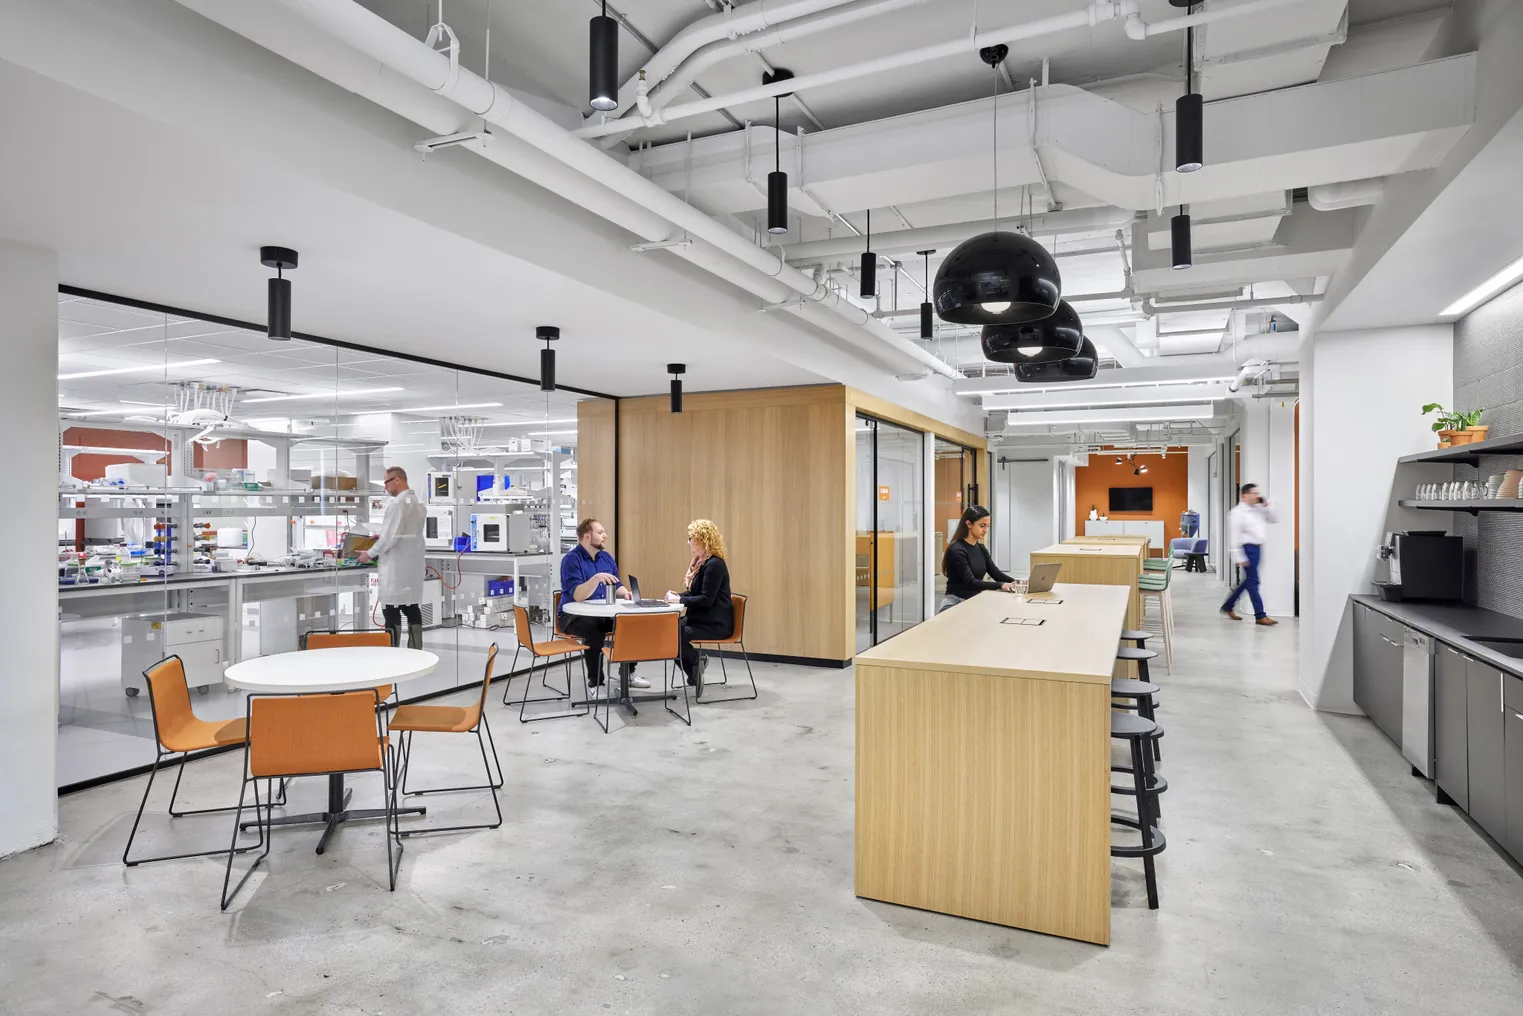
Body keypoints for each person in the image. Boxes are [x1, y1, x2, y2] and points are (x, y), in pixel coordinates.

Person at [559, 518, 649, 689]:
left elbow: (616, 585)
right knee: (594, 628)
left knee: (631, 623)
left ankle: (628, 673)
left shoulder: (606, 558)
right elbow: (578, 595)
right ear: (587, 536)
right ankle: (596, 683)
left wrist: (626, 593)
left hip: (601, 614)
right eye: (600, 533)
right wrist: (596, 579)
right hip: (572, 617)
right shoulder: (571, 560)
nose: (605, 536)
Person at [358, 466, 426, 649]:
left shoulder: (397, 504)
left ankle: (392, 653)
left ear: (397, 480)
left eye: (386, 482)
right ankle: (416, 652)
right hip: (412, 567)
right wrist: (382, 537)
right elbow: (405, 533)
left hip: (396, 569)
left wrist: (369, 553)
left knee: (391, 610)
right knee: (412, 609)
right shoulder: (418, 504)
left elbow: (391, 537)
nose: (385, 487)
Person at [665, 519, 733, 688]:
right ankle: (695, 671)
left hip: (715, 624)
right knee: (665, 631)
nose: (688, 542)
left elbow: (705, 600)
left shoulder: (714, 565)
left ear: (702, 540)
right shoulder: (702, 564)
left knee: (672, 635)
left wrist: (679, 600)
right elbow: (696, 593)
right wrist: (677, 596)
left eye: (691, 538)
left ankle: (697, 661)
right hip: (702, 620)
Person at [939, 505, 1017, 612]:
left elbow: (997, 574)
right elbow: (970, 582)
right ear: (969, 524)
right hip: (956, 602)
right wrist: (1002, 585)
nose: (986, 530)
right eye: (982, 526)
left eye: (988, 526)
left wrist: (1019, 583)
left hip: (974, 600)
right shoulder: (957, 550)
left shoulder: (981, 548)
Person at [1222, 482, 1279, 626]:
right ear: (1245, 495)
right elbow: (1233, 536)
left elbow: (1274, 518)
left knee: (1249, 581)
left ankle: (1228, 605)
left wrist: (1266, 504)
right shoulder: (1237, 513)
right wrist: (1238, 556)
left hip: (1258, 548)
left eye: (1257, 493)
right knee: (1253, 582)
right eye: (1253, 493)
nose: (1256, 496)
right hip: (1247, 549)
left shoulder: (1259, 509)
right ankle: (1260, 615)